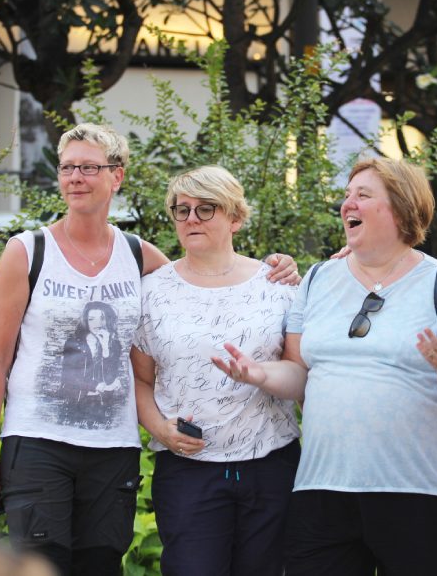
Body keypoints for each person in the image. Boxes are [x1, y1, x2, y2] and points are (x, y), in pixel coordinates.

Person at [0, 125, 299, 576]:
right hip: (38, 439)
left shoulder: (139, 256)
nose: (75, 177)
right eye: (67, 167)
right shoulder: (28, 251)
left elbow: (199, 282)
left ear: (116, 176)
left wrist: (280, 267)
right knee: (41, 565)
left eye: (88, 167)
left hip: (112, 447)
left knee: (101, 564)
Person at [214, 157, 437, 576]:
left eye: (363, 195)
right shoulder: (317, 279)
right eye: (347, 195)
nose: (348, 204)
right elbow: (299, 373)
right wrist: (259, 374)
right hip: (323, 486)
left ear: (401, 209)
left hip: (422, 489)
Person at [132, 165, 301, 576]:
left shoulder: (278, 285)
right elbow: (139, 378)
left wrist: (259, 373)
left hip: (270, 464)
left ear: (235, 218)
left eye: (206, 208)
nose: (191, 218)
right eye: (182, 209)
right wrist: (159, 429)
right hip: (188, 471)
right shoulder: (152, 291)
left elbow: (299, 373)